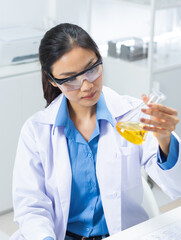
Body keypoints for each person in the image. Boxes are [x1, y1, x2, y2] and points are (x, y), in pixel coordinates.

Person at [11, 23, 181, 240]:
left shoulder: (133, 116)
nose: (86, 86)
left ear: (99, 58)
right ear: (53, 80)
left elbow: (177, 185)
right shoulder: (36, 131)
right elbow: (31, 205)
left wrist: (165, 140)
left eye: (91, 69)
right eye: (70, 78)